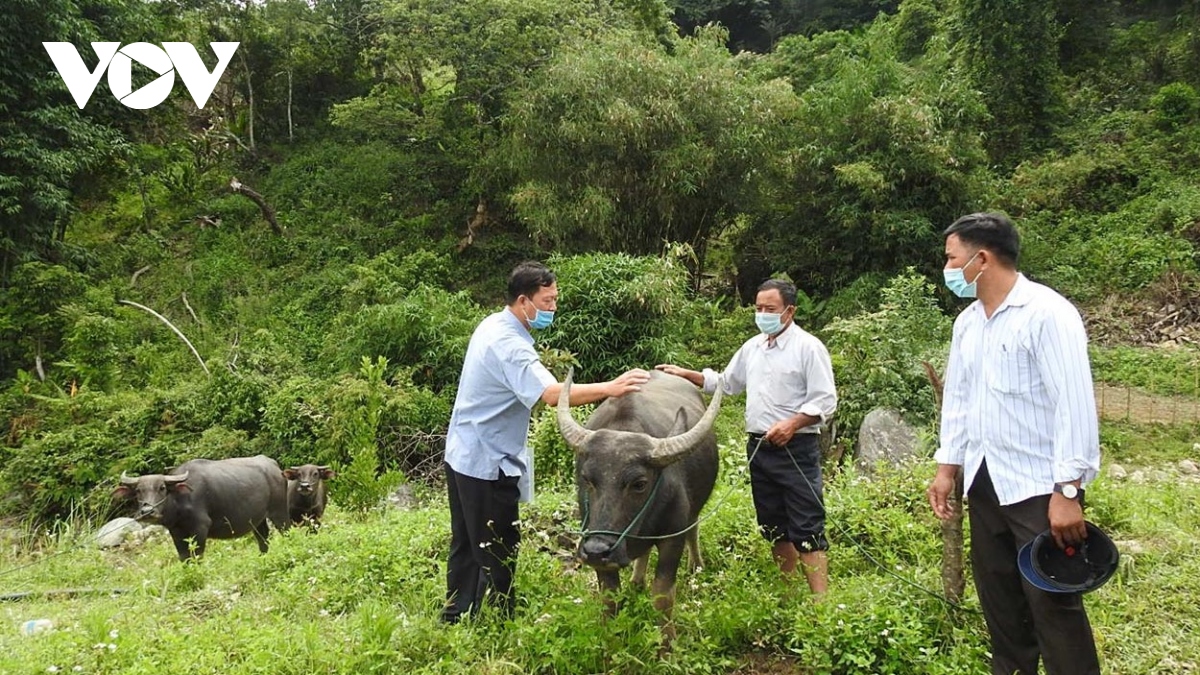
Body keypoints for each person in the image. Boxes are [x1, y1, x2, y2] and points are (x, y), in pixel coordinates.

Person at [926, 212, 1102, 675]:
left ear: (981, 259)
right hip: (985, 484)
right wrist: (948, 468)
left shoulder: (1047, 314)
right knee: (1000, 604)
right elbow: (959, 402)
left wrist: (1067, 492)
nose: (947, 268)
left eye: (951, 258)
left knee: (1053, 604)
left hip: (1038, 491)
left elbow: (1074, 405)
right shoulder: (968, 324)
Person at [441, 261, 650, 624]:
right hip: (488, 462)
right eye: (548, 301)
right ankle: (498, 619)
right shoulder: (509, 344)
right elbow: (552, 394)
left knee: (466, 542)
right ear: (524, 301)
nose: (553, 308)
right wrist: (610, 388)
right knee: (497, 544)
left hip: (463, 453)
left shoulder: (492, 323)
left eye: (555, 300)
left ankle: (456, 614)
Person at [657, 279, 837, 594]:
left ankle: (820, 604)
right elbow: (728, 383)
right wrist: (690, 375)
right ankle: (787, 589)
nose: (763, 314)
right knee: (774, 526)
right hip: (760, 448)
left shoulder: (808, 348)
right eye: (758, 308)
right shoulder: (753, 347)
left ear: (789, 311)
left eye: (770, 309)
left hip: (796, 448)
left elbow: (825, 400)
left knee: (807, 527)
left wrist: (792, 424)